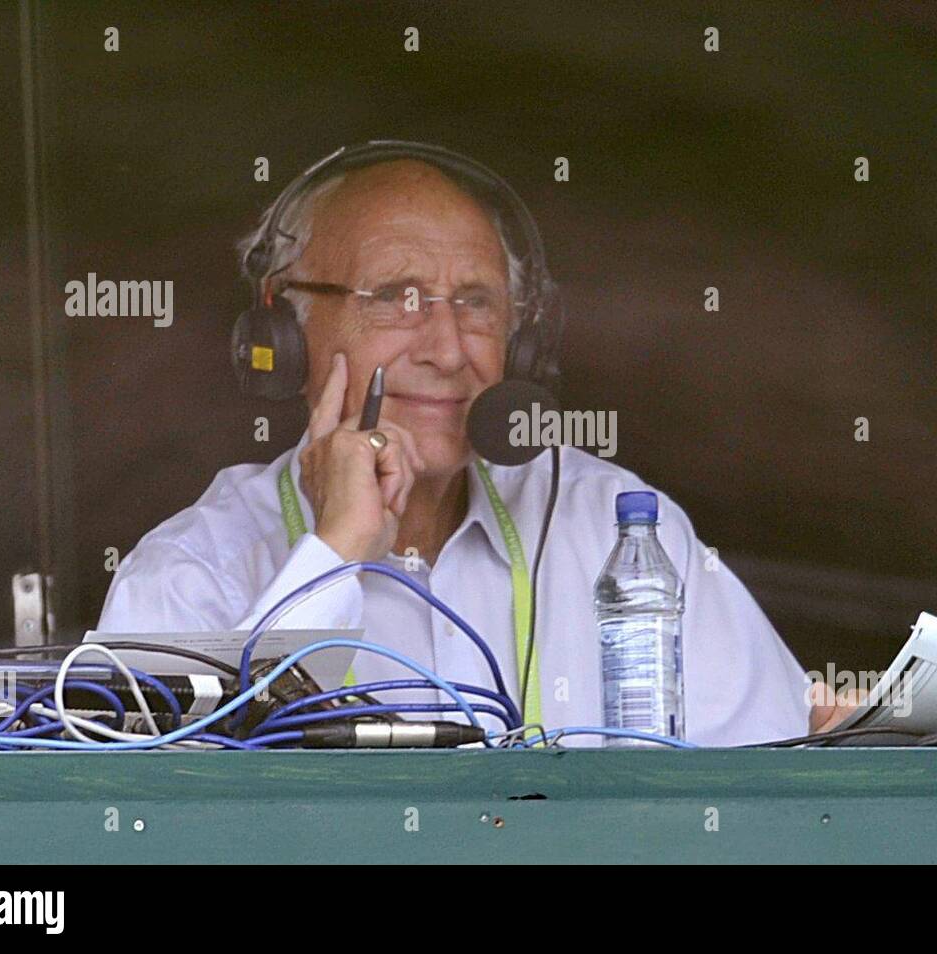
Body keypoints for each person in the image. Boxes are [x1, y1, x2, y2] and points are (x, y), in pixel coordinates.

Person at [98, 146, 857, 745]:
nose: (449, 348)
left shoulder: (614, 524)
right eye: (396, 299)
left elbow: (772, 778)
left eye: (476, 303)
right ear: (284, 335)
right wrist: (335, 553)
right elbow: (163, 823)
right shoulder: (189, 571)